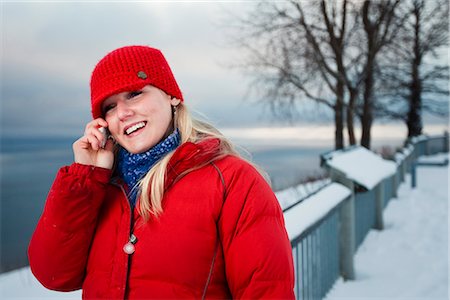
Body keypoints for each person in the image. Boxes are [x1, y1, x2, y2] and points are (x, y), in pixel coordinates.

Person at [28, 45, 295, 299]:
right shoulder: (102, 187)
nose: (122, 113)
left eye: (134, 93)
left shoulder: (234, 181)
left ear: (172, 96)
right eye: (109, 106)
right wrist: (85, 176)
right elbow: (54, 275)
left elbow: (266, 291)